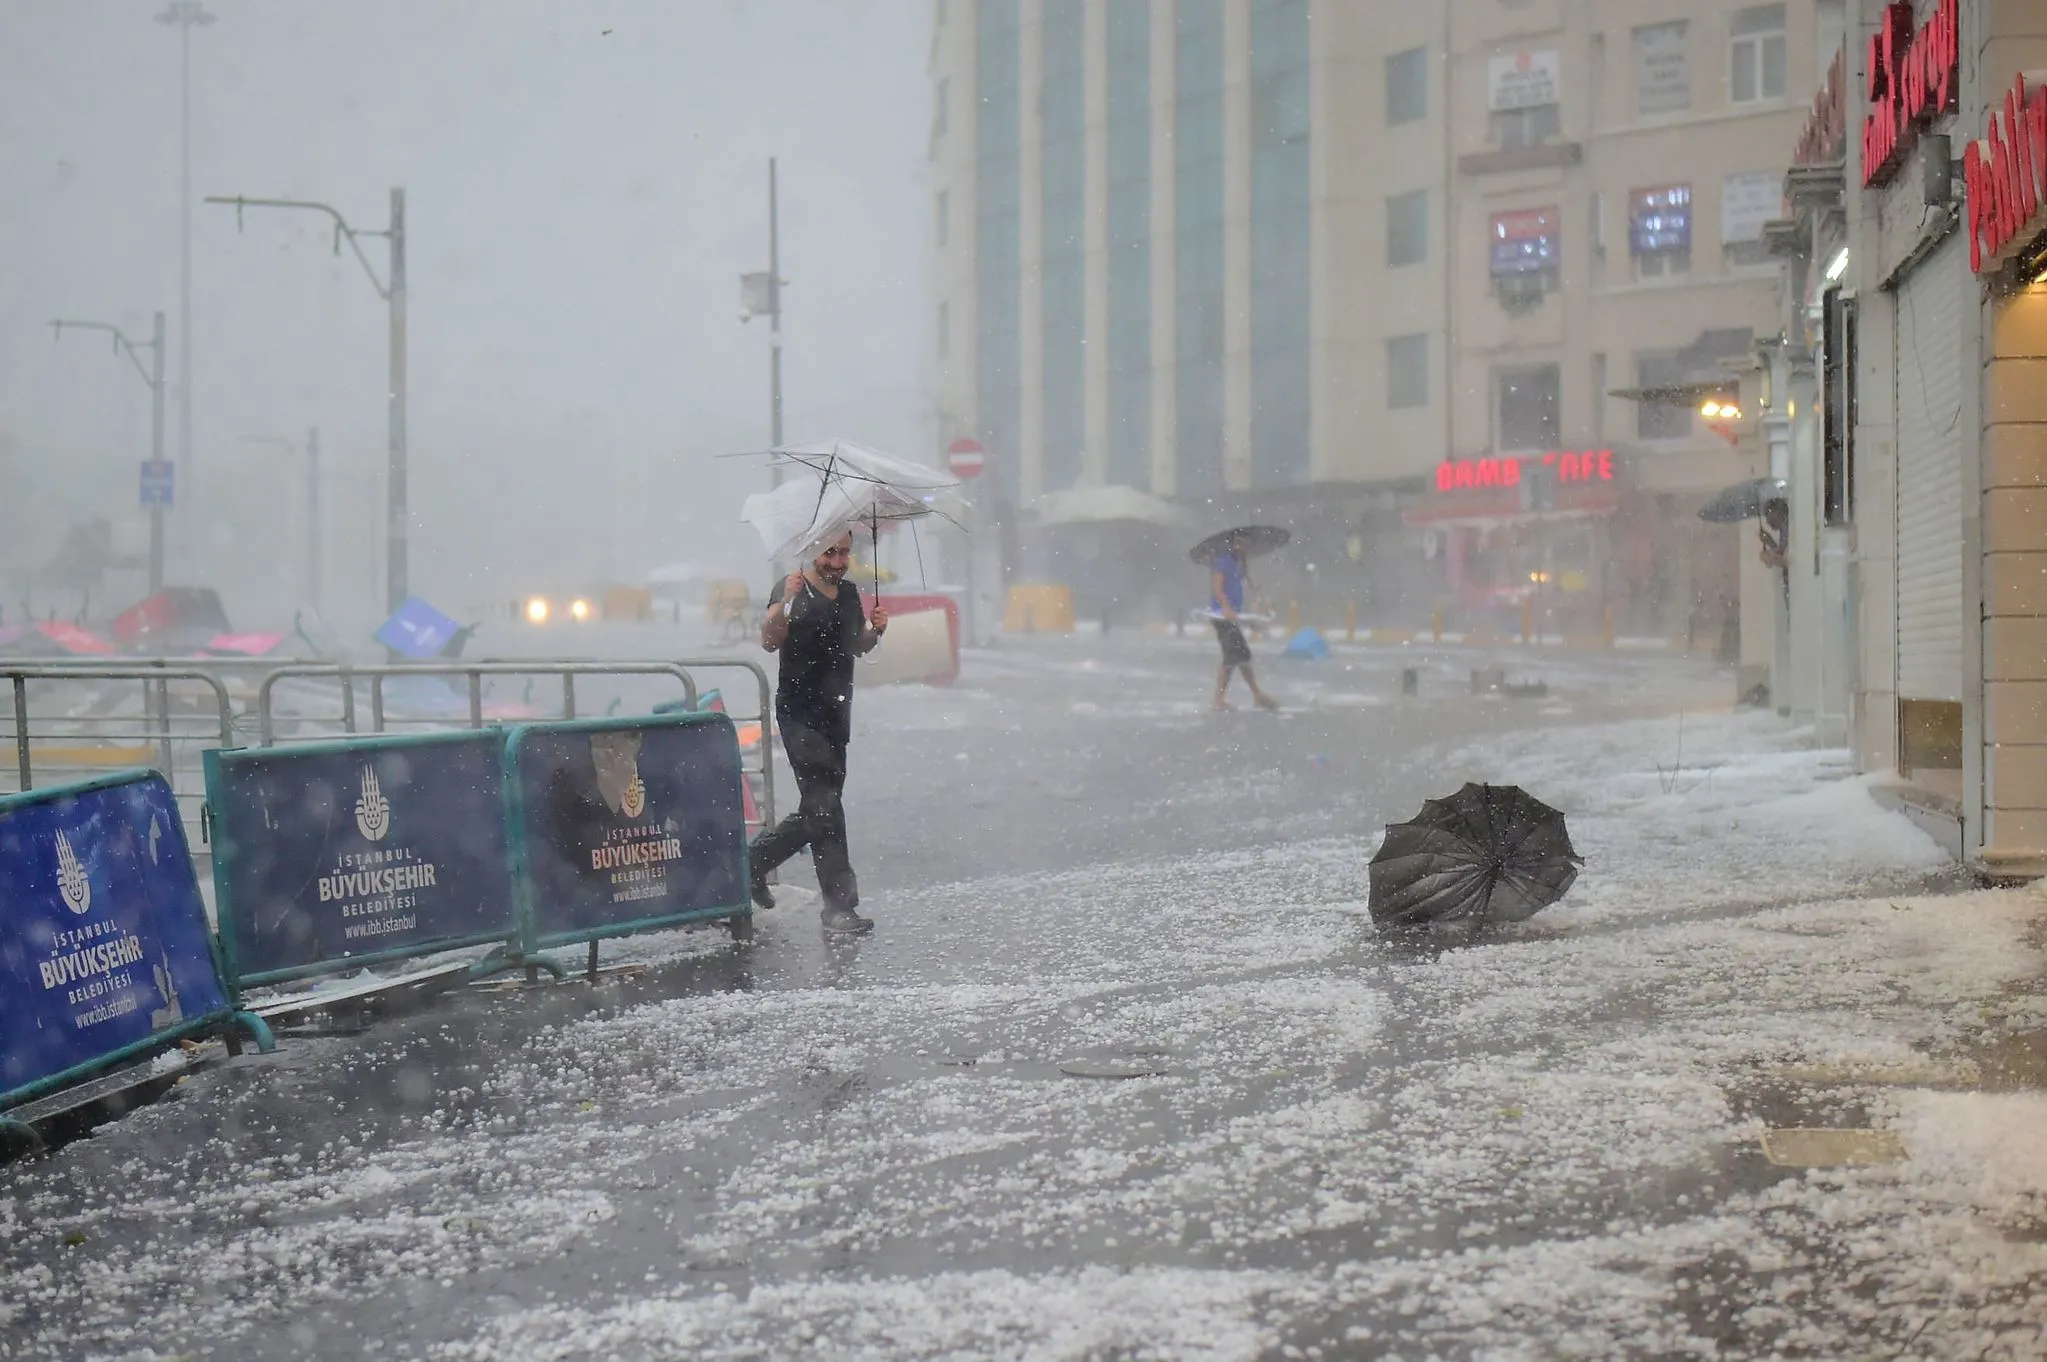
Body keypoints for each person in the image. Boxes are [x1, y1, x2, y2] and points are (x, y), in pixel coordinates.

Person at [748, 529, 889, 934]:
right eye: (830, 553)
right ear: (813, 553)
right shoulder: (789, 587)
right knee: (825, 805)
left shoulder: (848, 594)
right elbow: (769, 641)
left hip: (835, 714)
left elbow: (858, 645)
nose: (837, 562)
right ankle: (839, 907)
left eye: (844, 553)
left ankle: (753, 863)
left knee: (820, 807)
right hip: (799, 714)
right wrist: (781, 608)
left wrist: (875, 630)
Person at [1209, 534, 1279, 712]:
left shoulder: (1240, 564)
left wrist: (1254, 589)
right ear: (1233, 543)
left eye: (1246, 542)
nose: (1243, 546)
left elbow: (1241, 587)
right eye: (1239, 542)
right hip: (1222, 617)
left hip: (1233, 616)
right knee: (1233, 657)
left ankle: (1256, 695)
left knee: (1242, 656)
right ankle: (1220, 700)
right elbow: (1218, 587)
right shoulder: (1223, 561)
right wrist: (1225, 606)